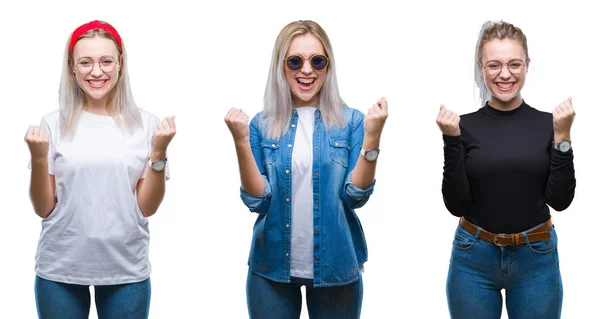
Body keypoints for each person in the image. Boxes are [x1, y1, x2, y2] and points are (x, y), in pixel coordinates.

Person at [224, 20, 388, 319]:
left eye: (317, 61)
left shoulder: (352, 122)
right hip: (270, 267)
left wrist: (373, 136)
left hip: (337, 265)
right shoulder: (261, 124)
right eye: (295, 61)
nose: (307, 70)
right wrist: (241, 141)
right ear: (281, 66)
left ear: (328, 66)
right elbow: (257, 201)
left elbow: (356, 196)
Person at [24, 20, 175, 319]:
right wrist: (39, 159)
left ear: (120, 63)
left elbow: (147, 208)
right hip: (60, 269)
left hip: (126, 270)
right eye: (86, 62)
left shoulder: (145, 125)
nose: (96, 72)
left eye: (106, 61)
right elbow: (44, 208)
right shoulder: (52, 123)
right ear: (72, 67)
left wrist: (159, 152)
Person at [437, 21, 576, 319]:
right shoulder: (463, 125)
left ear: (527, 65)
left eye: (514, 64)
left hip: (536, 258)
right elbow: (456, 204)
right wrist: (451, 139)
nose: (504, 74)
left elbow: (560, 201)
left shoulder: (548, 124)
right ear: (481, 67)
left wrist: (562, 137)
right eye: (494, 65)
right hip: (473, 258)